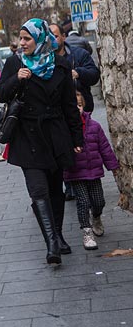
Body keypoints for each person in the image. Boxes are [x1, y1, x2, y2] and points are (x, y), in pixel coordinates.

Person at [0, 18, 83, 264]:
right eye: (20, 38)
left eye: (27, 39)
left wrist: (77, 137)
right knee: (38, 190)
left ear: (41, 40)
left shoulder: (61, 66)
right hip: (27, 137)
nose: (22, 44)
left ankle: (59, 234)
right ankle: (52, 243)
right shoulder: (15, 63)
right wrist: (16, 79)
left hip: (54, 135)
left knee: (56, 190)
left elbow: (69, 106)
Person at [63, 92, 119, 250]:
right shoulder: (65, 129)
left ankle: (96, 217)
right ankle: (87, 232)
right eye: (73, 107)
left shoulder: (94, 126)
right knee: (83, 202)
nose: (77, 109)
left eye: (79, 106)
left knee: (99, 201)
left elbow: (104, 147)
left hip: (94, 172)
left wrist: (112, 166)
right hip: (76, 173)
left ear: (83, 106)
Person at [49, 23, 100, 113]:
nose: (52, 40)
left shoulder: (80, 54)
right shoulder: (43, 60)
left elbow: (94, 75)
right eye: (49, 38)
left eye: (55, 36)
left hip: (81, 111)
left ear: (63, 37)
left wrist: (78, 73)